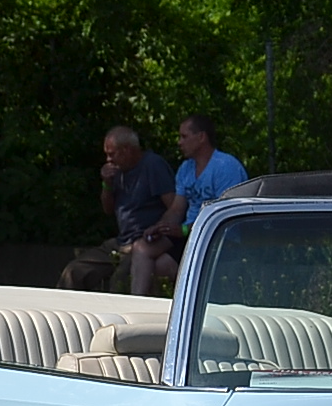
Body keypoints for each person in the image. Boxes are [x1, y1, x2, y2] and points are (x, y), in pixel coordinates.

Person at [133, 115, 248, 297]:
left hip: (218, 236)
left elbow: (224, 213)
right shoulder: (185, 169)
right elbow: (176, 209)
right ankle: (138, 303)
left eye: (184, 137)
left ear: (201, 137)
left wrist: (185, 230)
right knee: (142, 248)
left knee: (160, 266)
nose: (179, 142)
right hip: (188, 234)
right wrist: (160, 227)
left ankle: (187, 301)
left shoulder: (225, 167)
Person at [57, 126, 175, 293]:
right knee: (74, 271)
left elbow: (174, 207)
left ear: (126, 150)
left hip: (143, 242)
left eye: (111, 154)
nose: (108, 160)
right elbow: (108, 209)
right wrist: (107, 184)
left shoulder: (153, 165)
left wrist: (158, 231)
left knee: (119, 281)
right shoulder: (117, 171)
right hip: (120, 242)